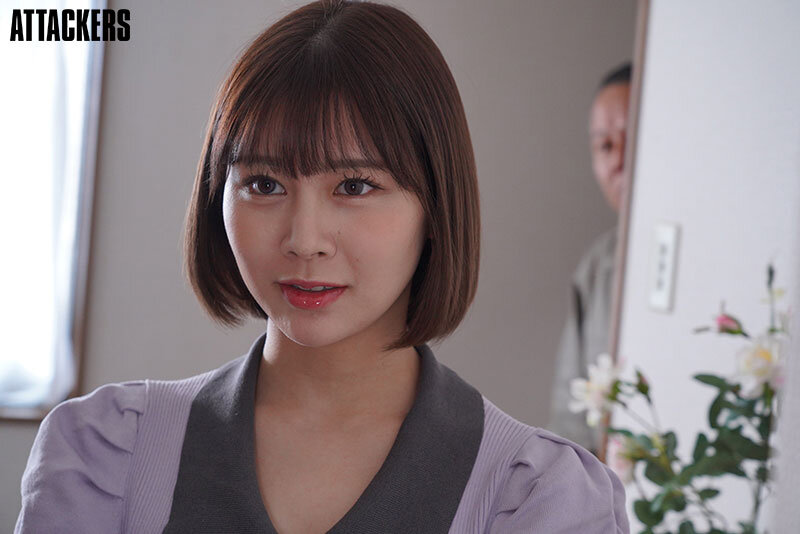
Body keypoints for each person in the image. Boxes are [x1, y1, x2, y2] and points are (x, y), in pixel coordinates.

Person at [16, 3, 628, 532]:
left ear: (435, 207)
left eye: (355, 186)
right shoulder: (104, 454)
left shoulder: (541, 497)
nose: (304, 240)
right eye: (264, 183)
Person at [548, 63, 632, 453]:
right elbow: (572, 415)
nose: (618, 161)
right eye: (605, 146)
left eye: (633, 138)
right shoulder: (597, 266)